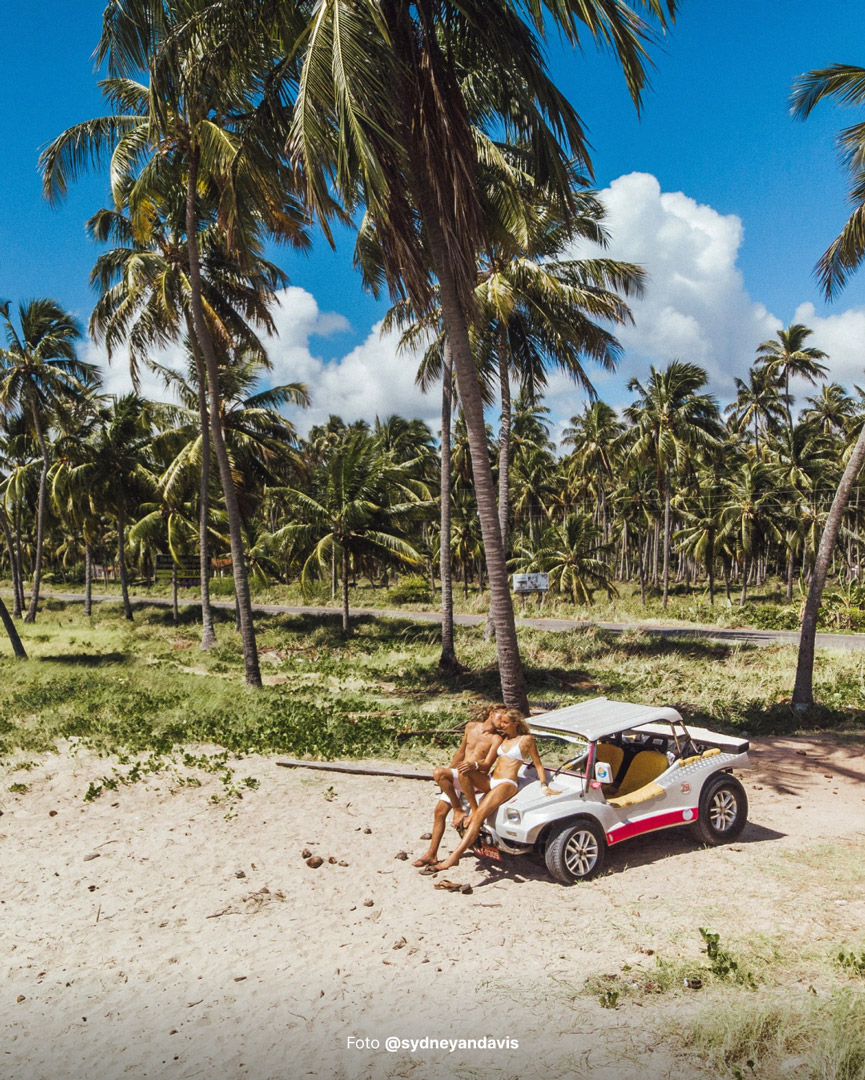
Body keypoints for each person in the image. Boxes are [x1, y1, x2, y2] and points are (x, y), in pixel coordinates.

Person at [431, 708, 559, 872]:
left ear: (515, 723)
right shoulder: (502, 738)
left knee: (478, 818)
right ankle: (470, 809)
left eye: (505, 723)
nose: (502, 726)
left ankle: (454, 857)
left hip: (506, 783)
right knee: (464, 770)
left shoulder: (526, 740)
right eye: (502, 722)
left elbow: (539, 765)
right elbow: (482, 761)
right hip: (491, 780)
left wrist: (544, 785)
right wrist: (472, 765)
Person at [412, 706, 504, 868]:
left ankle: (459, 811)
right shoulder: (471, 727)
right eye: (500, 717)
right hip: (459, 775)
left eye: (504, 720)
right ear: (491, 714)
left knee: (446, 773)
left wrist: (472, 766)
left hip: (474, 779)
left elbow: (486, 766)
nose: (502, 722)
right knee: (439, 811)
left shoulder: (496, 739)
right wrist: (447, 776)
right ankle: (431, 854)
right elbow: (461, 753)